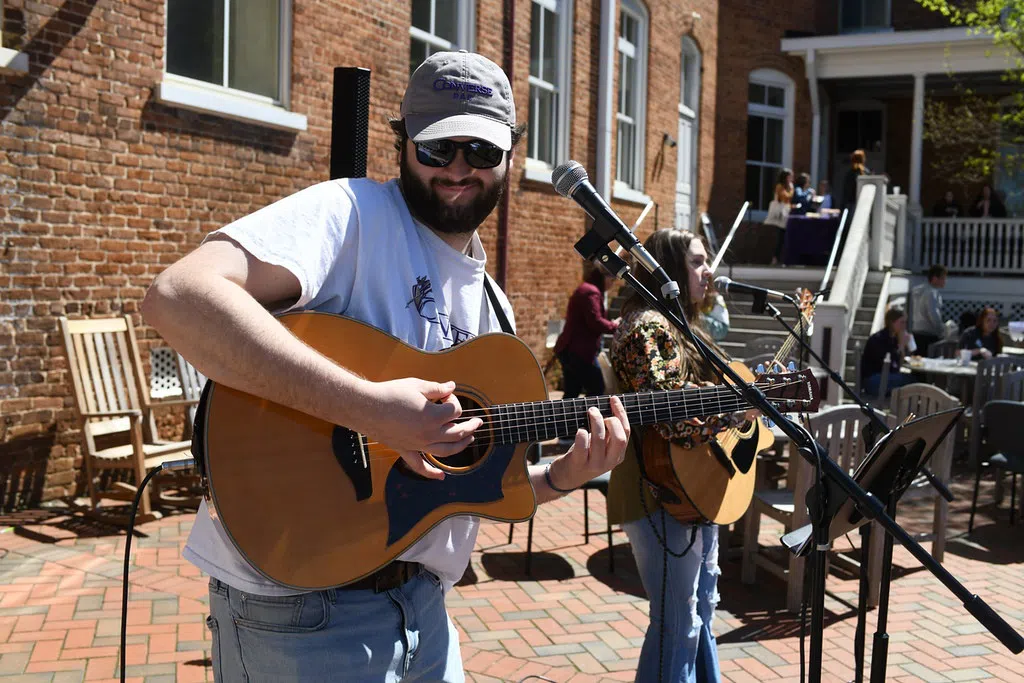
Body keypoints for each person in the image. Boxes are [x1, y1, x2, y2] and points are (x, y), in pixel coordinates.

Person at [141, 50, 631, 682]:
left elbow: (462, 494)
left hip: (424, 614)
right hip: (300, 615)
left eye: (480, 152)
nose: (458, 170)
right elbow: (178, 297)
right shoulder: (350, 215)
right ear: (403, 145)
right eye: (436, 149)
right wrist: (372, 410)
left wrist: (563, 476)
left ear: (511, 154)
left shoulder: (494, 308)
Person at [607, 229, 752, 682]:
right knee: (678, 623)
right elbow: (672, 416)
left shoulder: (680, 326)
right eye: (696, 262)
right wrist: (733, 410)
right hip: (657, 491)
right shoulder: (647, 326)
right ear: (667, 267)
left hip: (692, 487)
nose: (707, 271)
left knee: (701, 609)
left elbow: (706, 393)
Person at [553, 266, 619, 398]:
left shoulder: (586, 289)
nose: (612, 285)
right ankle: (589, 418)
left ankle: (566, 418)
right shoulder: (591, 292)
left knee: (572, 392)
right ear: (604, 278)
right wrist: (614, 325)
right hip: (579, 351)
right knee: (597, 388)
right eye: (612, 281)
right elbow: (595, 321)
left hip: (571, 349)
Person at [860, 308, 915, 397]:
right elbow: (889, 366)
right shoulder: (879, 338)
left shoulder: (894, 339)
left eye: (905, 322)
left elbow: (898, 366)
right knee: (911, 380)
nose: (904, 326)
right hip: (872, 381)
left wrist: (903, 347)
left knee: (912, 379)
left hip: (885, 378)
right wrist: (901, 345)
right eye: (902, 322)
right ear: (892, 322)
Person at [910, 264, 947, 355]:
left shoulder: (916, 291)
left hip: (916, 332)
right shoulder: (932, 293)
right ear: (935, 278)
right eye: (943, 278)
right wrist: (942, 331)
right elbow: (933, 314)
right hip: (929, 335)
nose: (945, 281)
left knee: (917, 362)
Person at [769, 168, 794, 265]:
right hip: (781, 215)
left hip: (787, 213)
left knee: (784, 238)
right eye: (790, 176)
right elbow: (785, 197)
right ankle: (775, 259)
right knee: (780, 238)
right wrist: (791, 189)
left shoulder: (789, 186)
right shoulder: (780, 186)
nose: (791, 178)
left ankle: (781, 259)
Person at [840, 149, 870, 213]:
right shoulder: (866, 172)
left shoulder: (850, 173)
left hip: (850, 204)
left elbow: (846, 191)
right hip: (863, 203)